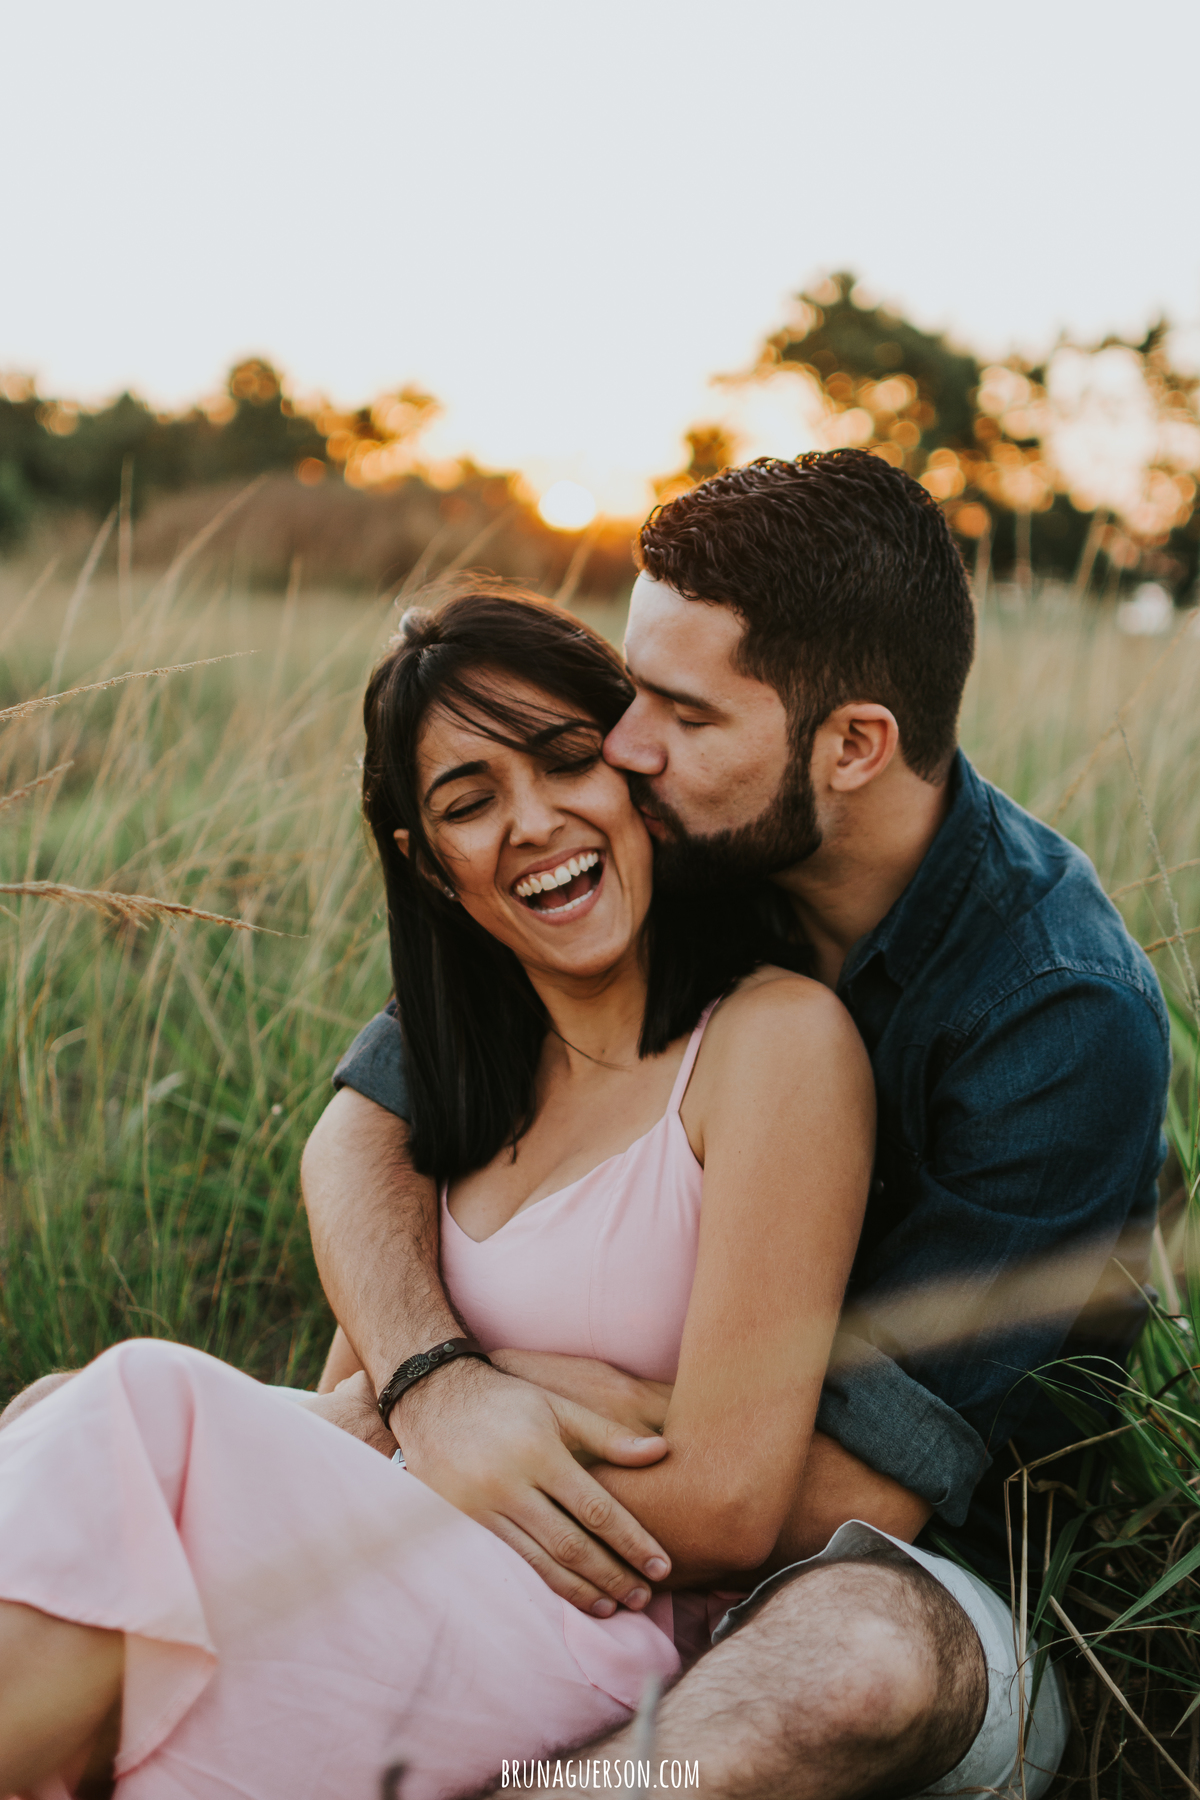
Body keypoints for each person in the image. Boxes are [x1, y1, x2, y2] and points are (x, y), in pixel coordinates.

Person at [306, 450, 1170, 1798]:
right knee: (92, 1436)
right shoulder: (689, 838)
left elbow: (849, 1496)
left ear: (853, 744)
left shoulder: (1057, 1013)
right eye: (635, 689)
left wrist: (496, 1392)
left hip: (913, 1577)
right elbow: (367, 1123)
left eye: (683, 712)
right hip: (601, 1516)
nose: (627, 745)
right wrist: (432, 1383)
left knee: (839, 1666)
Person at [0, 587, 889, 1798]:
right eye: (470, 803)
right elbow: (353, 1414)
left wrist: (478, 1387)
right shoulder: (456, 1090)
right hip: (398, 1566)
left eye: (567, 761)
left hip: (588, 1620)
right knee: (74, 1459)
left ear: (635, 772)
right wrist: (463, 1398)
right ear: (429, 865)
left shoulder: (770, 1044)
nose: (533, 823)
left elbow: (732, 1508)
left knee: (133, 1406)